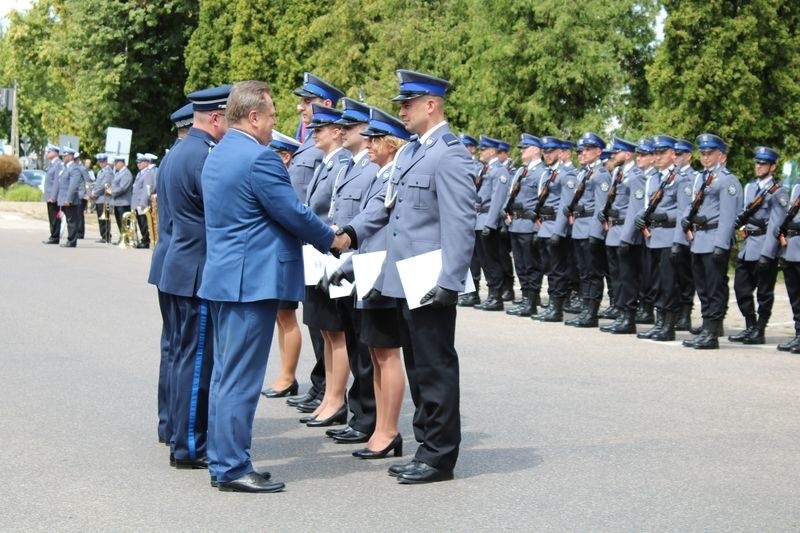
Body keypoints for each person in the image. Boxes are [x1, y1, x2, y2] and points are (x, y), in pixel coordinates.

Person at [199, 80, 347, 493]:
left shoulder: (219, 154)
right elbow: (293, 212)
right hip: (252, 282)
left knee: (228, 375)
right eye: (271, 117)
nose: (274, 124)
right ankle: (231, 467)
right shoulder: (259, 159)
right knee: (242, 379)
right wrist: (332, 239)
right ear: (253, 117)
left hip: (227, 278)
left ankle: (223, 460)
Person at [336, 69, 476, 484]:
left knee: (435, 367)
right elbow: (387, 206)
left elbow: (461, 222)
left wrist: (450, 281)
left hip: (430, 279)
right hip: (405, 277)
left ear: (431, 105)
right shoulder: (414, 152)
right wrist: (350, 233)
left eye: (408, 104)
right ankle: (425, 447)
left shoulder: (449, 153)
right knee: (417, 368)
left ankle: (439, 457)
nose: (403, 111)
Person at [159, 84, 230, 471]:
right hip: (197, 270)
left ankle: (176, 432)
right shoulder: (203, 156)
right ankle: (188, 445)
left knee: (183, 355)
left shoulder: (181, 152)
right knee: (197, 359)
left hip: (180, 265)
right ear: (216, 118)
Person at [335, 107, 410, 457]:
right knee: (377, 352)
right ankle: (381, 427)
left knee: (386, 353)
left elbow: (372, 216)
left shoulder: (393, 176)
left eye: (376, 139)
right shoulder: (382, 175)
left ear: (392, 144)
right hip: (369, 270)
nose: (370, 144)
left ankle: (388, 428)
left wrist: (344, 235)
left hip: (382, 273)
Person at [285, 72, 345, 414]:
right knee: (318, 324)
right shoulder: (311, 146)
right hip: (313, 247)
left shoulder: (333, 155)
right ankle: (323, 386)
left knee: (331, 327)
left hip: (327, 248)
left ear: (326, 106)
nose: (301, 107)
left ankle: (330, 391)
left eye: (308, 102)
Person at [323, 98, 379, 444]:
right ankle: (359, 412)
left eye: (349, 127)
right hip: (343, 259)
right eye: (339, 126)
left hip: (360, 260)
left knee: (363, 342)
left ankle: (367, 416)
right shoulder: (350, 166)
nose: (341, 131)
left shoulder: (370, 168)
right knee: (350, 335)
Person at [299, 103, 353, 428]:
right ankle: (330, 397)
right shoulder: (326, 163)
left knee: (336, 330)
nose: (314, 133)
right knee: (325, 329)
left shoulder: (342, 162)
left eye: (320, 129)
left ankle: (336, 399)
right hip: (318, 255)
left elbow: (335, 213)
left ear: (337, 132)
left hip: (333, 255)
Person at [147, 102, 192, 447]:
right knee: (187, 351)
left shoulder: (171, 157)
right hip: (186, 264)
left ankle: (169, 424)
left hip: (168, 262)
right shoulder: (194, 157)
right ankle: (183, 433)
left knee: (173, 349)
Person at [680, 133, 742, 350]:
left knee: (714, 287)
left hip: (715, 238)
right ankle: (706, 327)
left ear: (721, 156)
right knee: (703, 287)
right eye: (703, 153)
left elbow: (728, 216)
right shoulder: (701, 179)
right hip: (699, 240)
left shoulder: (727, 181)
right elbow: (691, 205)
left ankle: (712, 331)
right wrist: (685, 220)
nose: (705, 158)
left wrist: (722, 244)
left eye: (710, 153)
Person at [727, 146, 787, 345]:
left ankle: (759, 330)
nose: (759, 166)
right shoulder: (750, 188)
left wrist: (768, 253)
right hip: (748, 245)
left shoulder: (778, 192)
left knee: (764, 292)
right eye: (757, 163)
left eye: (763, 163)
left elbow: (776, 224)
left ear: (772, 167)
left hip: (763, 246)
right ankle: (750, 325)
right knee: (741, 288)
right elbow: (744, 213)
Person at [260, 130, 303, 399]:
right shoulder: (279, 175)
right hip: (274, 254)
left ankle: (288, 376)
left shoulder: (289, 178)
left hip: (285, 254)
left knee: (286, 316)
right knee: (280, 316)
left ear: (285, 157)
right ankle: (285, 374)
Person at [634, 135, 682, 341]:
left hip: (669, 236)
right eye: (656, 153)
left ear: (673, 154)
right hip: (652, 237)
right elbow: (645, 206)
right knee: (656, 283)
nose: (658, 157)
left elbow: (685, 211)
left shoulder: (681, 178)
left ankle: (669, 325)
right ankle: (659, 321)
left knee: (669, 283)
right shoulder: (652, 178)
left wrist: (667, 217)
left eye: (662, 153)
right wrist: (640, 218)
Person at [563, 132, 611, 327]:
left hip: (591, 227)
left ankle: (592, 312)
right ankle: (585, 308)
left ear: (599, 152)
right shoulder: (583, 173)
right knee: (583, 272)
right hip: (580, 228)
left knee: (593, 273)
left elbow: (601, 207)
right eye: (581, 150)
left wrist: (596, 233)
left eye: (588, 150)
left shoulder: (601, 174)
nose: (583, 153)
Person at [599, 138, 647, 334]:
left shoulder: (636, 176)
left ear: (627, 155)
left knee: (627, 278)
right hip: (613, 232)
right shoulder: (618, 174)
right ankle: (620, 313)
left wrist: (626, 238)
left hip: (625, 235)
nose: (612, 156)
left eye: (616, 152)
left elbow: (635, 209)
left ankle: (628, 317)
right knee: (616, 277)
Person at [504, 133, 547, 317]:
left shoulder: (542, 172)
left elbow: (542, 199)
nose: (521, 151)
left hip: (529, 225)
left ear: (536, 150)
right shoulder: (521, 171)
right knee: (520, 265)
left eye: (525, 148)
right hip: (515, 224)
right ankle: (525, 298)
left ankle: (531, 301)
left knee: (531, 265)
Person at [473, 135, 510, 311]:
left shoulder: (499, 171)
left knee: (492, 259)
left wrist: (490, 223)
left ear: (492, 151)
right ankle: (491, 294)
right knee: (484, 260)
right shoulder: (485, 170)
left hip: (488, 220)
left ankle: (496, 295)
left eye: (483, 149)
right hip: (479, 220)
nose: (480, 152)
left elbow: (497, 199)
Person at [55, 147, 83, 248]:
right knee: (69, 220)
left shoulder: (74, 168)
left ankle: (72, 241)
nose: (63, 157)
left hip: (70, 199)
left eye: (65, 155)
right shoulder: (66, 168)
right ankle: (70, 239)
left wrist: (68, 198)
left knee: (72, 220)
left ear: (71, 156)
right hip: (65, 198)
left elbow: (73, 185)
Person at [131, 153, 157, 249]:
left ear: (146, 163)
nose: (138, 165)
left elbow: (147, 189)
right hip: (137, 202)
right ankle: (144, 239)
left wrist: (143, 202)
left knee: (144, 223)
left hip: (142, 203)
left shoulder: (148, 173)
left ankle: (146, 241)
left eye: (140, 163)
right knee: (140, 222)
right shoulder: (140, 173)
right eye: (138, 163)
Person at [88, 153, 113, 243]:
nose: (101, 163)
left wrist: (95, 192)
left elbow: (105, 185)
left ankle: (106, 236)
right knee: (100, 218)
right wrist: (92, 191)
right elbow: (97, 183)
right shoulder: (100, 172)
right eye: (100, 162)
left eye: (103, 162)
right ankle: (103, 235)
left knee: (105, 218)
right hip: (99, 198)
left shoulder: (108, 171)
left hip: (105, 198)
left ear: (106, 161)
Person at [42, 145, 63, 244]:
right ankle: (53, 235)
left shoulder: (58, 164)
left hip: (53, 197)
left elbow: (56, 182)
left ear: (55, 153)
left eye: (49, 152)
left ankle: (55, 237)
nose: (47, 153)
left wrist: (53, 196)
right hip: (49, 195)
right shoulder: (52, 164)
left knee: (55, 217)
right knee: (52, 217)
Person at [108, 156, 133, 238]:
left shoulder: (126, 173)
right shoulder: (118, 173)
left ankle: (126, 238)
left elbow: (123, 188)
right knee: (119, 221)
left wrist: (112, 192)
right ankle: (122, 237)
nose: (115, 165)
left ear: (121, 163)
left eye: (116, 163)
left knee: (124, 222)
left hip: (124, 202)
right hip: (117, 202)